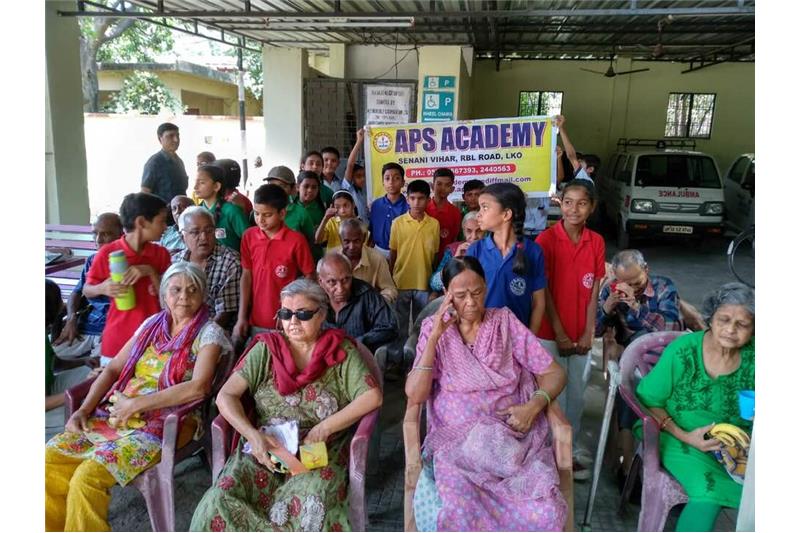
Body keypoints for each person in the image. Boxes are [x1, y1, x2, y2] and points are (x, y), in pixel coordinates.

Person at [45, 262, 232, 532]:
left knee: (86, 478)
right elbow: (112, 369)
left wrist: (136, 404)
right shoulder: (151, 325)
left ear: (203, 295)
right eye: (176, 289)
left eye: (193, 290)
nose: (184, 297)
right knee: (49, 459)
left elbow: (199, 387)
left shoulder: (208, 333)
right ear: (164, 293)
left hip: (166, 423)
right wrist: (84, 409)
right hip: (117, 414)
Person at [190, 279, 383, 532]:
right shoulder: (267, 350)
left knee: (311, 502)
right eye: (285, 313)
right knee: (217, 502)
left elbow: (372, 396)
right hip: (266, 445)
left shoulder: (340, 350)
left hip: (318, 450)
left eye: (303, 314)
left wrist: (324, 428)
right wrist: (252, 435)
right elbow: (226, 396)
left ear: (322, 314)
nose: (293, 321)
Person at [406, 257, 568, 531]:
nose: (470, 302)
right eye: (460, 295)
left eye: (477, 292)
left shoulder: (504, 322)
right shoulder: (433, 331)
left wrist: (533, 406)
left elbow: (555, 373)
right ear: (447, 295)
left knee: (546, 511)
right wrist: (434, 336)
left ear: (486, 287)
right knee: (460, 509)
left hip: (508, 439)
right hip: (457, 445)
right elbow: (415, 394)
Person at [635, 282, 755, 532]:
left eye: (742, 324)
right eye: (724, 320)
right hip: (676, 435)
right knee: (707, 491)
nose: (731, 330)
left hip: (738, 446)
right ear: (711, 319)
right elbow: (648, 400)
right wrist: (686, 436)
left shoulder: (757, 358)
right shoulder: (683, 352)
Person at [535, 177, 606, 479]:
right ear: (559, 204)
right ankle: (547, 449)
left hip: (580, 334)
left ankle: (571, 446)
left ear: (592, 207)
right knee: (553, 392)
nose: (574, 209)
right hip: (549, 333)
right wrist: (562, 334)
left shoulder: (596, 242)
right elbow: (545, 291)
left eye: (582, 203)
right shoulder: (546, 241)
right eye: (568, 202)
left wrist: (588, 333)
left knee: (577, 393)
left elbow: (594, 291)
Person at [596, 248, 683, 482]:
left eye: (636, 282)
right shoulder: (610, 290)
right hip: (635, 361)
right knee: (630, 385)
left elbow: (671, 329)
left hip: (668, 359)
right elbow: (593, 332)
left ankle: (669, 466)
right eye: (625, 283)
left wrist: (637, 307)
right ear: (615, 276)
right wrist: (607, 308)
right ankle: (628, 469)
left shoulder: (664, 287)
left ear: (646, 270)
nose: (631, 288)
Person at [83, 192, 172, 366]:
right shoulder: (108, 253)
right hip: (117, 340)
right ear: (141, 222)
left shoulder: (160, 254)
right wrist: (102, 288)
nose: (165, 227)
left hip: (153, 339)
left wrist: (150, 272)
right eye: (161, 221)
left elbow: (168, 298)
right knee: (112, 391)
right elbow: (87, 289)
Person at [233, 184, 315, 346]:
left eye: (267, 215)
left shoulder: (296, 240)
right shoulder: (249, 237)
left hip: (287, 322)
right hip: (256, 321)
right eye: (256, 214)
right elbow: (246, 276)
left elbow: (310, 276)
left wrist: (295, 312)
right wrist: (241, 317)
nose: (260, 220)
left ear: (282, 213)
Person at [466, 183, 547, 333]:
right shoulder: (475, 250)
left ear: (506, 214)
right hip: (481, 337)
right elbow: (466, 298)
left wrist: (530, 339)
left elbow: (538, 301)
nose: (478, 214)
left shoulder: (533, 251)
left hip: (518, 337)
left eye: (485, 207)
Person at [52, 213, 123, 362]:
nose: (98, 240)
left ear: (121, 234)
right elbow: (76, 293)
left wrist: (114, 329)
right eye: (95, 234)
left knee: (99, 370)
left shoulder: (129, 262)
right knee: (51, 358)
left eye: (106, 234)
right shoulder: (92, 260)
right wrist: (71, 318)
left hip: (113, 331)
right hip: (84, 327)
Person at [173, 206, 242, 332]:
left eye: (209, 230)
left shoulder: (230, 262)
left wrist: (195, 338)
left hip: (214, 334)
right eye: (195, 232)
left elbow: (224, 314)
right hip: (179, 330)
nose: (204, 237)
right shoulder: (175, 262)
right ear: (183, 237)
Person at [389, 179, 440, 352]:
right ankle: (399, 355)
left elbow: (434, 255)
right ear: (407, 199)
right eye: (413, 198)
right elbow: (393, 253)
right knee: (400, 323)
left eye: (421, 198)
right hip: (401, 280)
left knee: (421, 322)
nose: (417, 203)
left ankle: (417, 354)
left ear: (428, 199)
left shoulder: (434, 224)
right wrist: (390, 279)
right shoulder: (397, 223)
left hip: (423, 281)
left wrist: (432, 280)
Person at [317, 252, 398, 354]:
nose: (340, 289)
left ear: (352, 275)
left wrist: (357, 342)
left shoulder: (367, 294)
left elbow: (389, 328)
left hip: (362, 358)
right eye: (332, 282)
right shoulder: (314, 301)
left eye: (346, 280)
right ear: (321, 282)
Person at [46, 280, 91, 441]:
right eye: (59, 300)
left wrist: (84, 361)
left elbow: (54, 363)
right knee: (83, 414)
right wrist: (74, 394)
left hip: (48, 389)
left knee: (90, 375)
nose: (63, 304)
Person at [330, 218, 398, 304]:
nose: (351, 247)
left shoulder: (377, 259)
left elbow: (390, 289)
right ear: (340, 239)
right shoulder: (331, 258)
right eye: (347, 242)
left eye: (356, 241)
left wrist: (378, 303)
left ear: (364, 238)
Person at [194, 164, 250, 252]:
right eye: (195, 182)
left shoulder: (232, 211)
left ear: (216, 186)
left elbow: (250, 241)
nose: (195, 187)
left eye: (201, 183)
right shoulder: (196, 212)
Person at [264, 165, 318, 257]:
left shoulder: (301, 213)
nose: (276, 190)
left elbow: (311, 242)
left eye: (282, 186)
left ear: (293, 189)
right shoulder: (260, 212)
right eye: (272, 185)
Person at [429, 211, 484, 294]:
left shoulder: (490, 250)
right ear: (463, 231)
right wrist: (454, 260)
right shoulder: (453, 250)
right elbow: (434, 284)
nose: (474, 236)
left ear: (485, 231)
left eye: (479, 231)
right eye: (469, 231)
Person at [140, 122, 190, 205]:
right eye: (170, 136)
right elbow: (145, 193)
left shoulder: (179, 162)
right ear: (160, 139)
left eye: (177, 135)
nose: (176, 140)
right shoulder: (154, 163)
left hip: (180, 211)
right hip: (164, 213)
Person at [368, 162, 408, 258]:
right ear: (383, 182)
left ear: (403, 182)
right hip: (377, 251)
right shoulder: (376, 205)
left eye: (396, 178)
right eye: (387, 178)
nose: (391, 182)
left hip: (401, 252)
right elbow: (372, 230)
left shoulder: (408, 207)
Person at [425, 168, 462, 261]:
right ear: (432, 186)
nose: (442, 188)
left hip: (445, 261)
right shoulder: (423, 209)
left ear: (452, 189)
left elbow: (454, 240)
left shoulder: (455, 212)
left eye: (447, 185)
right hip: (423, 260)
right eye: (439, 184)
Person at [554, 115, 600, 182]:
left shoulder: (585, 178)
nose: (574, 164)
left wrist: (561, 128)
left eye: (580, 162)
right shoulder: (582, 180)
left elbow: (571, 156)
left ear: (590, 169)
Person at [295, 170, 327, 262]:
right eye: (306, 186)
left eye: (314, 187)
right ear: (297, 187)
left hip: (315, 257)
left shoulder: (322, 211)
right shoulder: (290, 208)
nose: (310, 190)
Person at [342, 128, 369, 223]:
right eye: (358, 176)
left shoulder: (362, 193)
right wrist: (359, 141)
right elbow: (350, 164)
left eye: (363, 176)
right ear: (351, 178)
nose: (362, 179)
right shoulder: (348, 189)